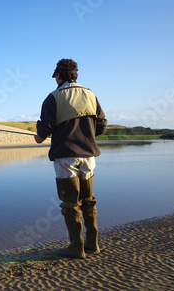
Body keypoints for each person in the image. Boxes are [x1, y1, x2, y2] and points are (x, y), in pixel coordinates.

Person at [34, 58, 107, 259]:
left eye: (55, 76)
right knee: (89, 201)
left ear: (59, 75)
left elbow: (45, 129)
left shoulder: (53, 97)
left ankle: (76, 247)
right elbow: (101, 126)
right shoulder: (91, 94)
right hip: (89, 157)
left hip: (66, 158)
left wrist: (39, 137)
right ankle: (93, 244)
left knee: (70, 203)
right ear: (75, 74)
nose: (54, 79)